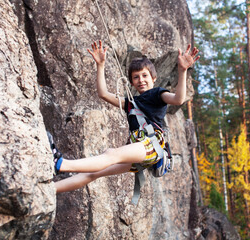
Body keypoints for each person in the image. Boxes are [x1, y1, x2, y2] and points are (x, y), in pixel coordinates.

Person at [53, 40, 200, 193]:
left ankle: (61, 164)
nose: (141, 80)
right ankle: (52, 189)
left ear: (153, 78)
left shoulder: (158, 94)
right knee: (94, 173)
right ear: (131, 82)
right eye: (136, 77)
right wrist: (100, 65)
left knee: (111, 154)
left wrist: (182, 71)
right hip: (140, 149)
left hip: (152, 144)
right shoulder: (131, 103)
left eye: (145, 75)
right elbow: (103, 94)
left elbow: (178, 99)